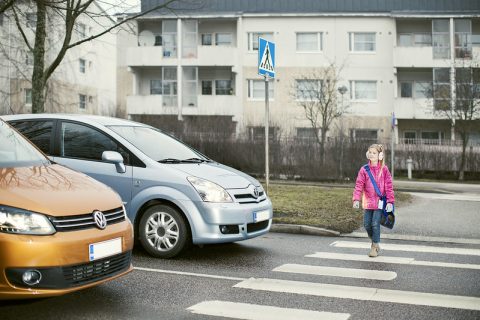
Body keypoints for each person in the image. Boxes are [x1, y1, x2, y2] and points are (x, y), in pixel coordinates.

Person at [352, 144, 395, 257]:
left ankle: (374, 246)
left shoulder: (384, 170)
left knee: (375, 223)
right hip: (368, 202)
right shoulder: (364, 170)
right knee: (367, 224)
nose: (371, 154)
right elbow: (359, 185)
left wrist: (390, 201)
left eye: (374, 153)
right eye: (369, 152)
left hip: (380, 203)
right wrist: (356, 199)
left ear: (380, 155)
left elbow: (389, 186)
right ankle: (375, 241)